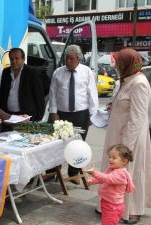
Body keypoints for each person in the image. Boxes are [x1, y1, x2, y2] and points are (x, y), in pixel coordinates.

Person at [98, 48, 151, 224]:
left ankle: (133, 211)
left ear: (128, 64)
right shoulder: (127, 80)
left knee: (130, 175)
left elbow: (136, 118)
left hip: (129, 141)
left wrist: (125, 149)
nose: (117, 67)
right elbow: (124, 104)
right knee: (113, 173)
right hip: (117, 137)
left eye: (120, 63)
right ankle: (109, 205)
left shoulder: (140, 83)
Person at [48, 44, 98, 184]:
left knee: (78, 144)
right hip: (61, 115)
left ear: (78, 59)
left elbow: (92, 94)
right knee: (57, 144)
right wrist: (53, 112)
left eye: (71, 59)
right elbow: (53, 94)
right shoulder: (58, 72)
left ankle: (74, 172)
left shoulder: (87, 72)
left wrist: (92, 115)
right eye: (66, 58)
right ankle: (52, 172)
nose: (68, 61)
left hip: (81, 114)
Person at [85, 144, 135, 225]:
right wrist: (92, 180)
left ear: (124, 161)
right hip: (109, 203)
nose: (110, 159)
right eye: (110, 157)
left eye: (114, 158)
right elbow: (103, 178)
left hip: (113, 207)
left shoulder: (121, 174)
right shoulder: (113, 169)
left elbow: (107, 179)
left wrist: (94, 173)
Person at [0, 48, 45, 121]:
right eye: (11, 58)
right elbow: (2, 94)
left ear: (23, 59)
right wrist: (0, 114)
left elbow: (39, 97)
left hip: (25, 116)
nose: (14, 61)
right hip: (8, 116)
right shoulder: (6, 72)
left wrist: (38, 117)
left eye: (17, 58)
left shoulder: (32, 73)